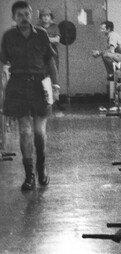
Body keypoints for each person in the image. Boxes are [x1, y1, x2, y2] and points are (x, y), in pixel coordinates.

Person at [0, 1, 60, 191]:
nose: (24, 18)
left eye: (27, 14)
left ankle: (41, 167)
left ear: (31, 14)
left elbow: (50, 60)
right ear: (14, 18)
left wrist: (56, 85)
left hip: (40, 85)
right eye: (20, 15)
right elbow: (2, 63)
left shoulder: (41, 34)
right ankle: (29, 176)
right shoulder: (8, 37)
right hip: (17, 85)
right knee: (25, 131)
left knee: (39, 133)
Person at [36, 7, 65, 111]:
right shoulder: (37, 27)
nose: (46, 18)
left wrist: (44, 38)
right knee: (42, 76)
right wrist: (49, 39)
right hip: (40, 55)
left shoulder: (55, 27)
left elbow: (57, 40)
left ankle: (55, 100)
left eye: (47, 16)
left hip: (53, 54)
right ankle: (44, 99)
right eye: (44, 16)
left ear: (50, 17)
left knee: (54, 75)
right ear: (41, 18)